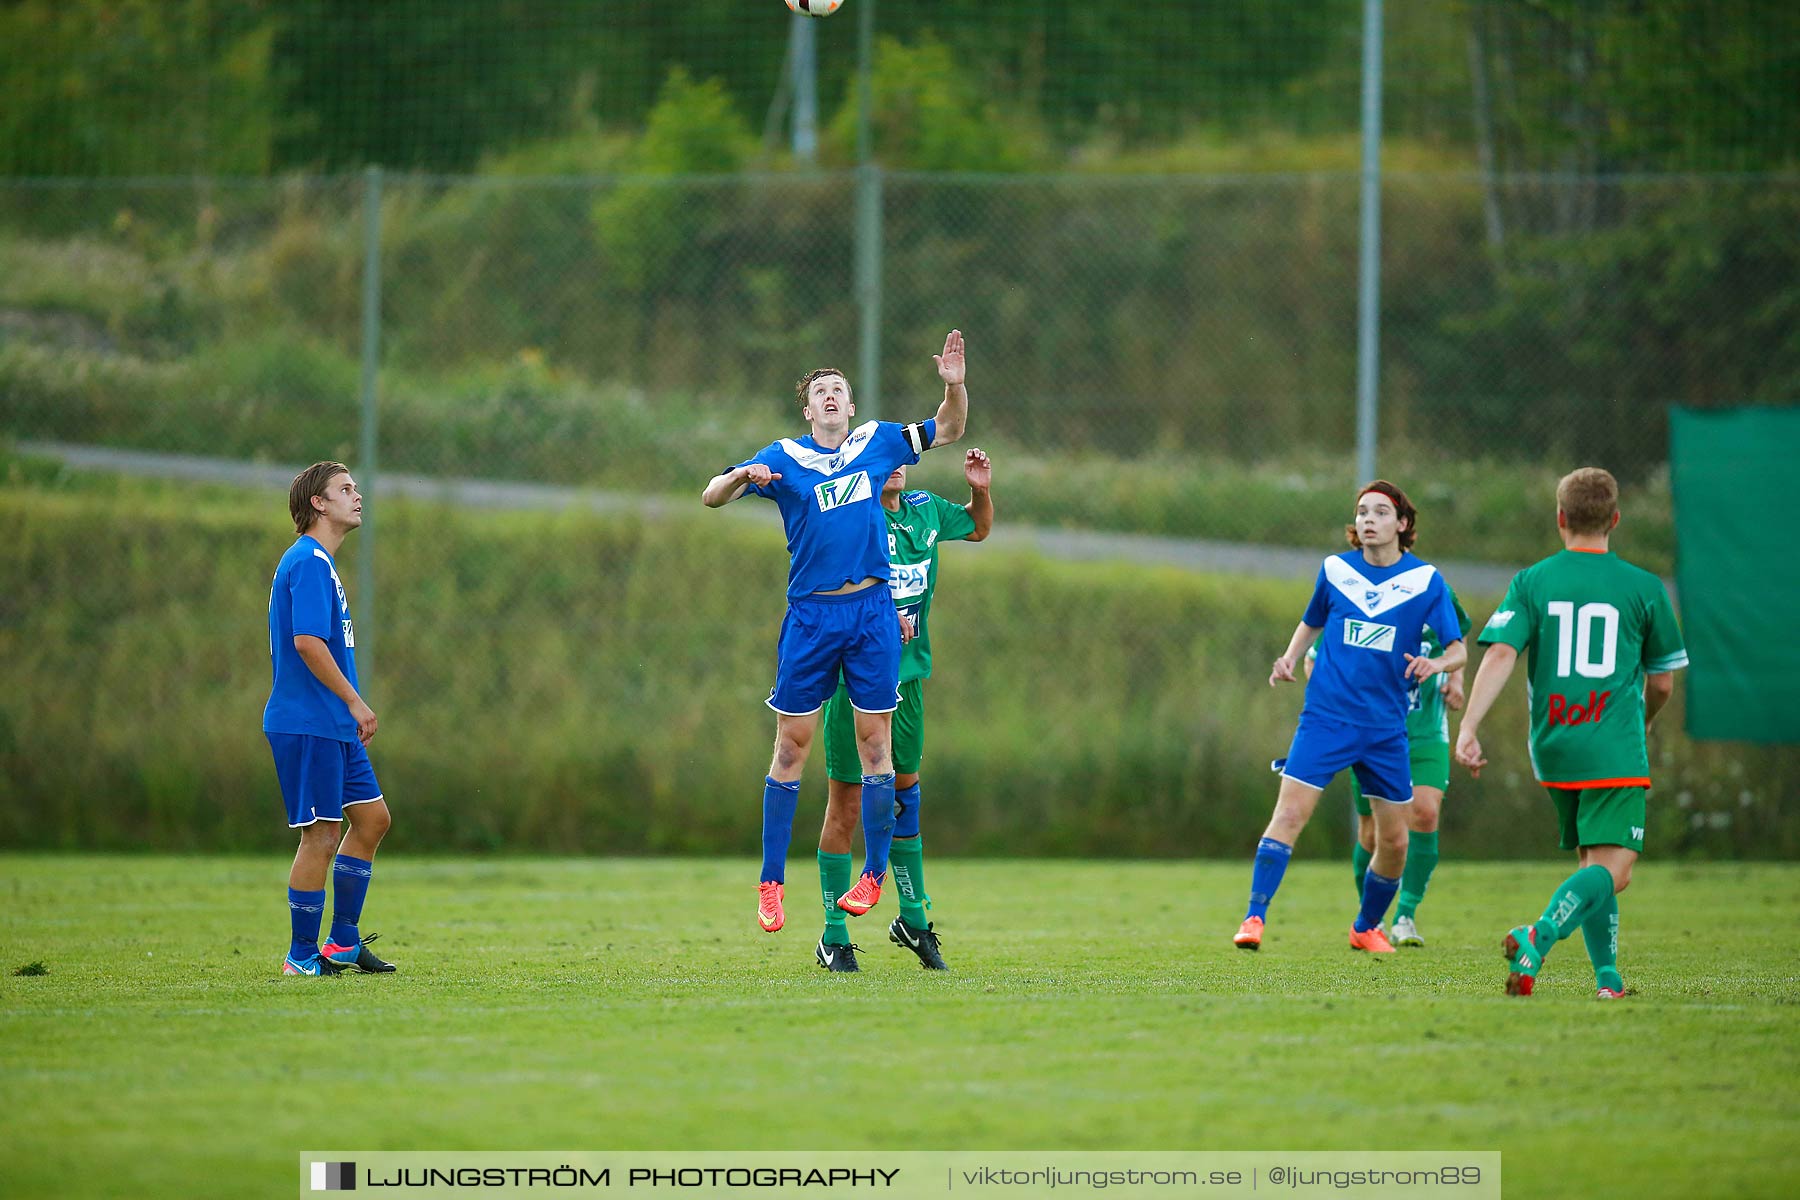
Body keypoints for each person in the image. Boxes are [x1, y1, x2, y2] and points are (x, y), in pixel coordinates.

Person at [702, 331, 969, 944]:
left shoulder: (876, 441)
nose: (830, 397)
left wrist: (953, 385)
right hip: (811, 618)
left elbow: (947, 430)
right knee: (791, 747)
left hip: (873, 611)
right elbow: (710, 496)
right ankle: (771, 883)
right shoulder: (785, 458)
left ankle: (873, 873)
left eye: (838, 390)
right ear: (806, 408)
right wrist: (742, 474)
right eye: (819, 391)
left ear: (851, 406)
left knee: (878, 747)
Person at [1455, 467, 1687, 998]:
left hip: (1555, 747)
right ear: (1616, 519)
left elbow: (1502, 653)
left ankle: (1608, 979)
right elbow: (1664, 684)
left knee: (1591, 867)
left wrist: (1469, 726)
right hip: (1614, 746)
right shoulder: (1644, 588)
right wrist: (1644, 722)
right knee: (1616, 871)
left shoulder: (1532, 581)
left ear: (1560, 517)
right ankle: (1539, 933)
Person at [1234, 481, 1466, 954]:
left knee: (1395, 842)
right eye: (1362, 512)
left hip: (1385, 729)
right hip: (1326, 718)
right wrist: (1289, 657)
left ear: (1402, 524)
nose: (1368, 520)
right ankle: (1254, 917)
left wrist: (1437, 665)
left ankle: (1365, 927)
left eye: (1380, 512)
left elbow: (1458, 648)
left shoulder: (1426, 582)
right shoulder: (1336, 570)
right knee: (1290, 814)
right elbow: (1312, 619)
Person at [813, 449, 993, 972]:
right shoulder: (855, 515)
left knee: (903, 795)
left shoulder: (926, 509)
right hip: (856, 681)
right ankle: (832, 933)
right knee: (846, 804)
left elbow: (980, 530)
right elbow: (827, 583)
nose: (894, 463)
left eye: (901, 454)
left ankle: (913, 920)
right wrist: (878, 616)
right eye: (883, 455)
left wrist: (979, 490)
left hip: (907, 681)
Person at [263, 462, 396, 977]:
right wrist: (354, 701)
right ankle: (300, 957)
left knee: (372, 819)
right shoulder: (309, 561)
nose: (357, 495)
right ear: (318, 504)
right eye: (345, 489)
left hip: (331, 724)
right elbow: (307, 643)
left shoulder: (321, 562)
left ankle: (342, 944)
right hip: (309, 721)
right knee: (320, 834)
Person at [1310, 588, 1470, 947]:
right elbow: (1315, 658)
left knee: (1425, 812)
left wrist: (1455, 680)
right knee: (1373, 834)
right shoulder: (1359, 596)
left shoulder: (1434, 589)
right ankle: (1371, 919)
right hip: (1373, 733)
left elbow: (1457, 644)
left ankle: (1406, 915)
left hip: (1425, 732)